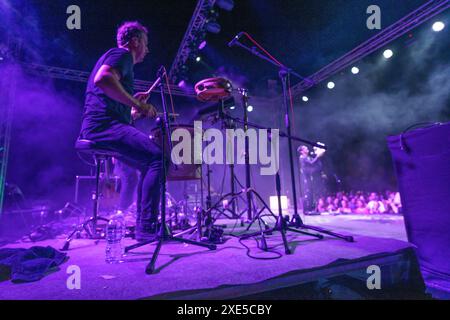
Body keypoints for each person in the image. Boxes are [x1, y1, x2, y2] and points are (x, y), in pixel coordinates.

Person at [78, 21, 162, 241]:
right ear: (134, 41)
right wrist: (140, 104)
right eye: (145, 43)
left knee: (146, 164)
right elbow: (103, 79)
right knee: (158, 158)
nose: (147, 49)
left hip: (104, 125)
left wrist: (133, 107)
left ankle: (145, 227)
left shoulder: (119, 61)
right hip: (104, 126)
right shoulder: (122, 55)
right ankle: (147, 227)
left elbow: (112, 101)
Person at [297, 144, 326, 214]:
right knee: (308, 192)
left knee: (311, 192)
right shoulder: (302, 157)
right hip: (305, 178)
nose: (307, 149)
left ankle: (311, 209)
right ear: (302, 151)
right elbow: (311, 162)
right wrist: (318, 156)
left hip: (309, 177)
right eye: (305, 148)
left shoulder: (307, 157)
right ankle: (306, 210)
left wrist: (318, 155)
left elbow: (314, 162)